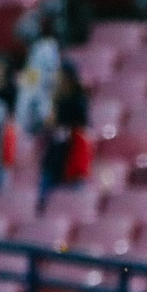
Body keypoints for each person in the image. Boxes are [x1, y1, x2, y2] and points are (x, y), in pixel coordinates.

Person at [37, 61, 91, 205]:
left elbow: (79, 129)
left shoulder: (78, 103)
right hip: (53, 159)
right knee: (44, 202)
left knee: (72, 202)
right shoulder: (57, 102)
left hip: (71, 159)